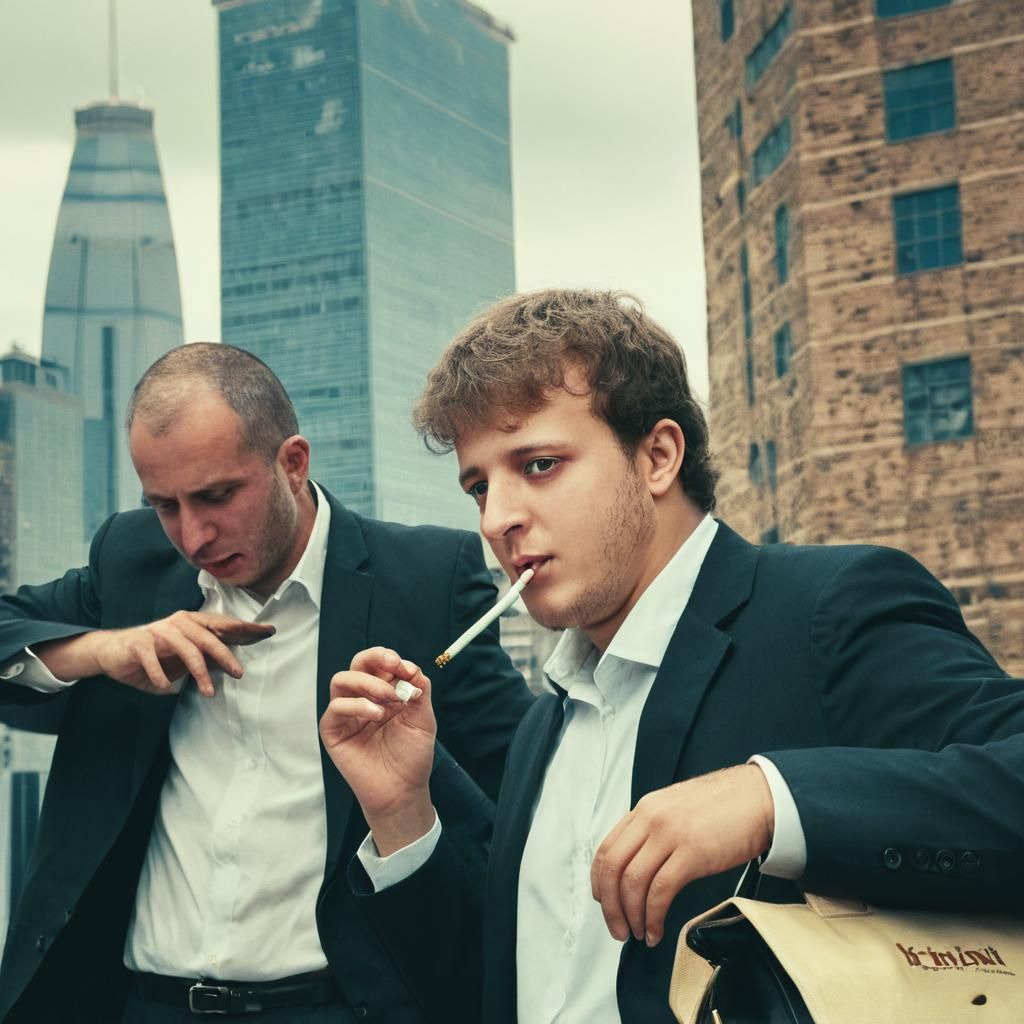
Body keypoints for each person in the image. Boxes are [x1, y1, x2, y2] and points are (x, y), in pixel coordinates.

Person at [319, 288, 1024, 1024]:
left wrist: (773, 799)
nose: (497, 519)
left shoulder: (830, 607)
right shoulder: (544, 726)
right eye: (478, 487)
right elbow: (502, 989)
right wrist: (401, 813)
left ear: (658, 456)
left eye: (538, 465)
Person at [0, 343, 533, 1023]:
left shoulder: (427, 580)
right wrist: (101, 651)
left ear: (293, 463)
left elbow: (521, 792)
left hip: (336, 1006)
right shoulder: (131, 561)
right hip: (138, 1005)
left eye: (217, 496)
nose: (192, 535)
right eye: (165, 504)